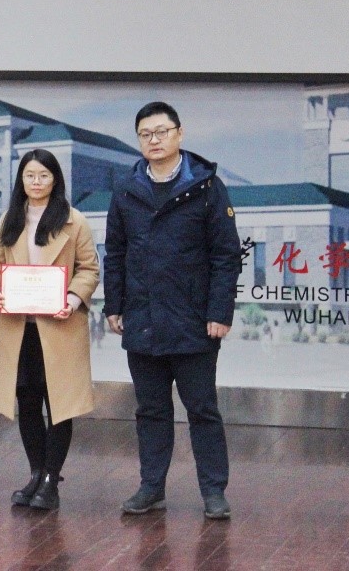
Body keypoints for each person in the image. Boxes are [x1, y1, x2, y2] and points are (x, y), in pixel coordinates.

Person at [105, 101, 241, 520]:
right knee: (151, 411)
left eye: (162, 131)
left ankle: (214, 491)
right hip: (142, 319)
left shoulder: (206, 186)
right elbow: (115, 252)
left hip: (193, 321)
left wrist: (219, 311)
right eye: (146, 134)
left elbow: (226, 255)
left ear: (180, 134)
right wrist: (114, 305)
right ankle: (151, 487)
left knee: (202, 409)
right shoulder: (126, 189)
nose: (154, 140)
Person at [0, 149, 100, 511]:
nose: (36, 183)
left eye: (43, 176)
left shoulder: (74, 220)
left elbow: (89, 269)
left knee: (60, 404)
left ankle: (51, 479)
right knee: (27, 400)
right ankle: (36, 473)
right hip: (20, 326)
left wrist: (73, 298)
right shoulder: (10, 219)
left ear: (55, 180)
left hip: (59, 326)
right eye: (29, 176)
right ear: (21, 180)